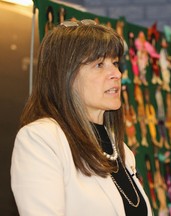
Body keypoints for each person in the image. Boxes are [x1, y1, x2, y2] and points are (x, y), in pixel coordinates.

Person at [10, 19, 153, 216]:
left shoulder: (121, 149)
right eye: (99, 64)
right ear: (65, 76)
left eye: (115, 63)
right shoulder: (42, 139)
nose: (116, 74)